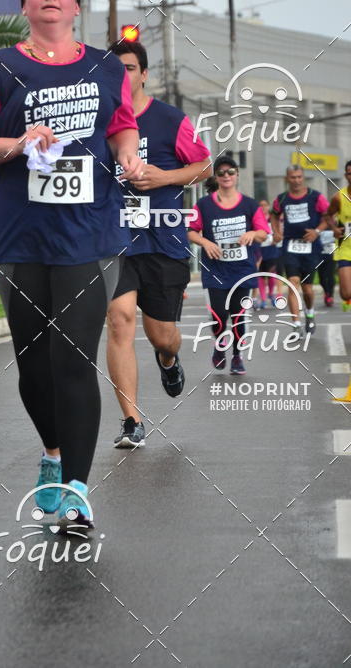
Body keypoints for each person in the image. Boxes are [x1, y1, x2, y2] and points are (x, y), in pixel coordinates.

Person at [0, 0, 144, 529]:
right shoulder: (0, 67)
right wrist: (18, 142)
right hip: (21, 234)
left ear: (76, 4)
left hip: (88, 231)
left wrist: (129, 153)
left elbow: (121, 123)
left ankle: (79, 489)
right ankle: (53, 454)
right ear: (25, 4)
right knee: (33, 366)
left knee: (74, 359)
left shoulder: (107, 69)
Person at [105, 40, 211, 448]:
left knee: (162, 334)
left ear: (144, 74)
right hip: (113, 240)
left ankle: (168, 359)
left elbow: (203, 165)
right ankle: (131, 421)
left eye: (130, 69)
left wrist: (163, 177)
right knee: (119, 320)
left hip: (163, 239)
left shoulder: (170, 119)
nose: (122, 77)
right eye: (115, 70)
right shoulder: (97, 125)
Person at [187, 156, 269, 375]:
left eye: (230, 172)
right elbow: (190, 231)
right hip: (216, 270)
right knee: (218, 316)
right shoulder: (203, 205)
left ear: (237, 175)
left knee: (239, 315)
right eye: (221, 173)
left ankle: (237, 357)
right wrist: (205, 242)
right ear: (216, 176)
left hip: (242, 270)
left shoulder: (250, 205)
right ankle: (219, 346)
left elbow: (263, 233)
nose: (226, 176)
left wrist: (252, 232)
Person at [271, 166, 329, 334]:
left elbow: (328, 217)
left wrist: (317, 231)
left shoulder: (315, 197)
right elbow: (274, 214)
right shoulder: (281, 199)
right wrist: (276, 232)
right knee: (293, 283)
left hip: (310, 247)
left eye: (299, 177)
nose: (296, 180)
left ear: (303, 178)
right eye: (292, 177)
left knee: (308, 289)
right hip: (290, 246)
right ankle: (296, 324)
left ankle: (309, 314)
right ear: (287, 179)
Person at [327, 160, 351, 310]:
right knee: (346, 294)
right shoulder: (338, 198)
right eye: (350, 173)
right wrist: (334, 228)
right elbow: (327, 216)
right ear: (345, 175)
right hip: (345, 249)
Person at [255, 199, 280, 308]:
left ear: (268, 206)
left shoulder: (272, 218)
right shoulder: (256, 218)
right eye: (261, 205)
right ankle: (263, 299)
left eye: (265, 205)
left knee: (271, 273)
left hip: (271, 248)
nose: (263, 207)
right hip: (260, 249)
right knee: (261, 275)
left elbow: (279, 231)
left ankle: (271, 294)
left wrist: (277, 238)